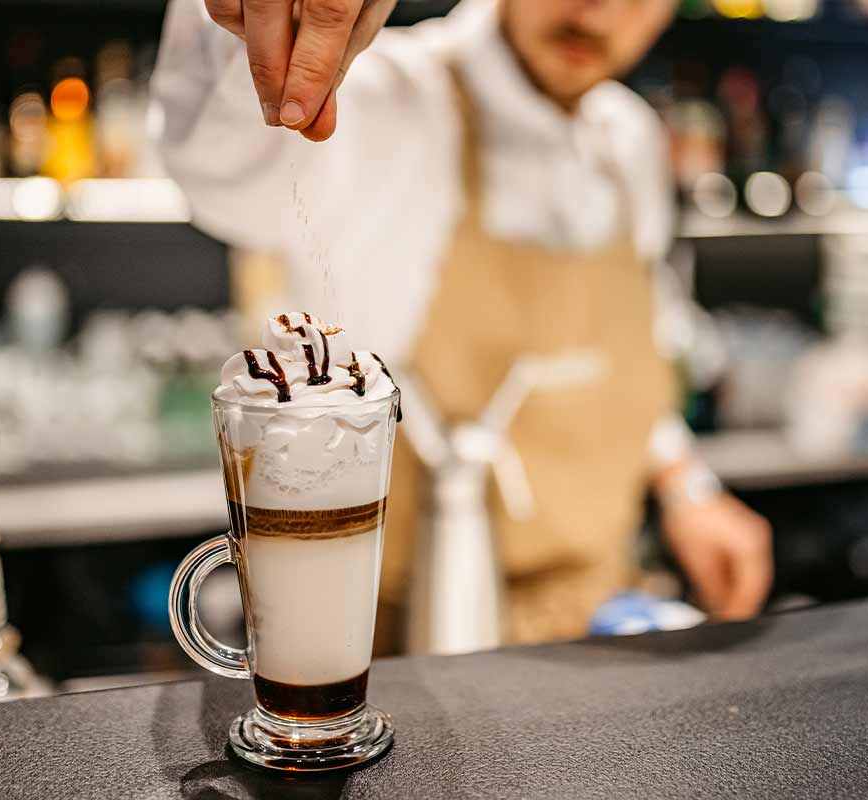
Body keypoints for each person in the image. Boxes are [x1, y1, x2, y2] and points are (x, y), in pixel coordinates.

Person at [152, 0, 773, 648]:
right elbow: (222, 170)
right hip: (401, 635)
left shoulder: (631, 137)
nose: (600, 11)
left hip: (599, 618)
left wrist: (687, 487)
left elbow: (632, 348)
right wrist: (249, 29)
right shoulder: (385, 96)